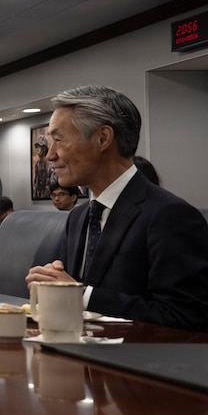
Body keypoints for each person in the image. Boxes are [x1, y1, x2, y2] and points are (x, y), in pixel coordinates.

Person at [26, 86, 208, 331]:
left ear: (102, 138)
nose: (50, 156)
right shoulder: (79, 217)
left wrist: (80, 295)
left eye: (58, 141)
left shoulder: (171, 216)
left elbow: (185, 318)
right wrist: (50, 283)